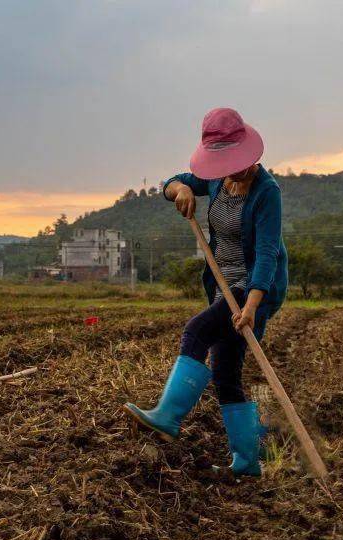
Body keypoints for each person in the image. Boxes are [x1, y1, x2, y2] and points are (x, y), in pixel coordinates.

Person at [123, 107, 288, 477]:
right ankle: (246, 463)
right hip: (223, 285)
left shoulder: (267, 193)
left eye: (238, 161)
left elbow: (267, 255)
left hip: (255, 287)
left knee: (197, 331)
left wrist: (252, 305)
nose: (234, 169)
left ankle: (167, 416)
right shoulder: (215, 180)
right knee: (226, 372)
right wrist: (180, 189)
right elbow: (172, 182)